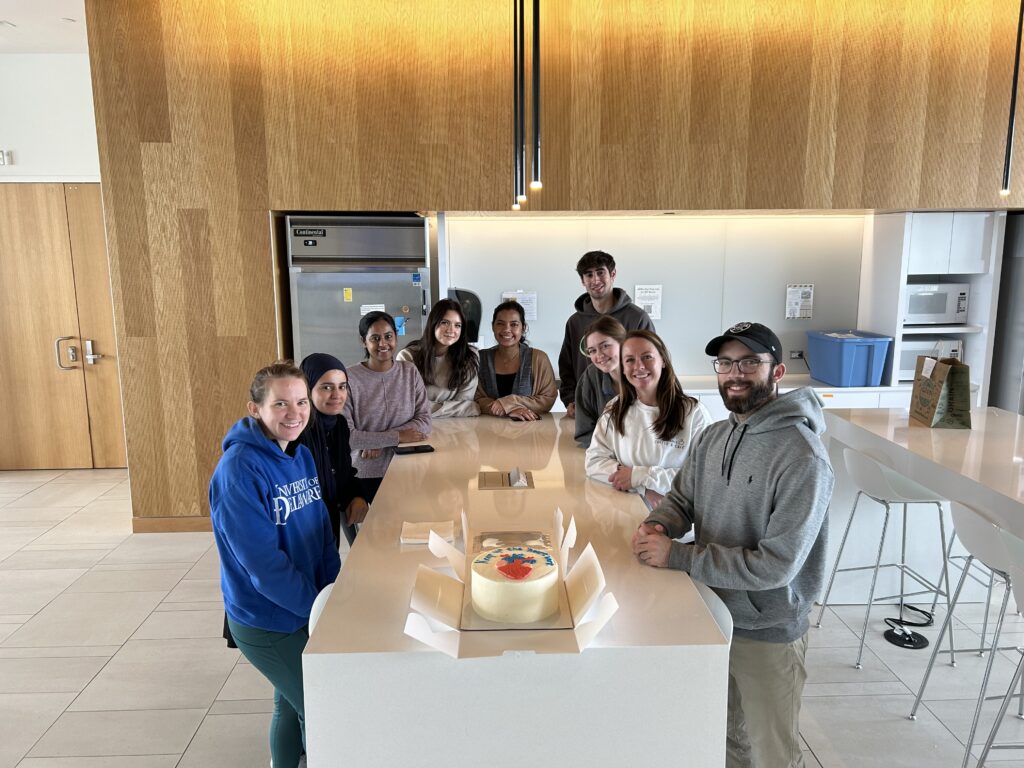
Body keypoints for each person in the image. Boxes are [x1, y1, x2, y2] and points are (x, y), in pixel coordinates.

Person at [632, 322, 833, 768]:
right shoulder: (714, 436)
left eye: (748, 362)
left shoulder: (803, 457)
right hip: (710, 613)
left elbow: (775, 567)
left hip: (767, 629)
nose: (734, 373)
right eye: (725, 363)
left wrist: (679, 556)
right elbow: (683, 498)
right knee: (723, 740)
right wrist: (659, 525)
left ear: (777, 371)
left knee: (771, 754)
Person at [209, 361, 341, 768]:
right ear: (255, 409)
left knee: (289, 703)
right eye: (280, 403)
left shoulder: (298, 455)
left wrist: (335, 595)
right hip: (266, 620)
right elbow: (263, 566)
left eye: (301, 402)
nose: (295, 413)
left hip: (304, 606)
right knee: (323, 709)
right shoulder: (238, 472)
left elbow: (320, 534)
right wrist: (316, 610)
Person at [585, 330, 711, 509]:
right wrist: (643, 487)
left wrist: (641, 476)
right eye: (629, 360)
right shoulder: (615, 408)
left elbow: (704, 475)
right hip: (627, 514)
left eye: (647, 357)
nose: (639, 366)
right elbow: (595, 461)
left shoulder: (693, 412)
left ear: (663, 361)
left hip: (680, 526)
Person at [344, 311, 431, 502]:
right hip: (366, 473)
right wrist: (397, 437)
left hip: (409, 466)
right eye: (375, 338)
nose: (383, 344)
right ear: (363, 341)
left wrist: (382, 441)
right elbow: (347, 437)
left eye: (388, 337)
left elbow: (424, 420)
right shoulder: (349, 378)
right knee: (377, 530)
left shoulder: (409, 371)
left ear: (396, 338)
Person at [558, 250, 655, 417]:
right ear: (583, 281)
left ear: (613, 274)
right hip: (587, 409)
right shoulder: (574, 322)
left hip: (631, 408)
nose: (595, 279)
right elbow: (566, 367)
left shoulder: (637, 317)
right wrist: (570, 400)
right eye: (589, 275)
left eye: (600, 272)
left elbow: (651, 362)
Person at [293, 353, 368, 547]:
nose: (337, 395)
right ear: (307, 390)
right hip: (301, 529)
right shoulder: (296, 431)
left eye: (342, 387)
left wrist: (357, 495)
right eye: (326, 387)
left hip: (328, 522)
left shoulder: (339, 425)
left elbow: (343, 474)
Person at [397, 298, 480, 417]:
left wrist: (429, 408)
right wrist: (461, 408)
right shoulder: (408, 356)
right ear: (433, 323)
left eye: (457, 325)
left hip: (457, 428)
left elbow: (466, 402)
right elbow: (408, 406)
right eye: (445, 322)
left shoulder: (470, 356)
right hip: (417, 427)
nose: (451, 330)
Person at [475, 300, 557, 420]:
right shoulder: (481, 358)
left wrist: (509, 403)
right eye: (500, 324)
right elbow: (476, 398)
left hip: (529, 430)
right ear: (493, 327)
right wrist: (508, 410)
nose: (507, 329)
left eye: (514, 324)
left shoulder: (539, 358)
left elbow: (547, 398)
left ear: (523, 328)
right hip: (488, 429)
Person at [574, 315, 627, 447]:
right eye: (592, 351)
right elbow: (585, 431)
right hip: (605, 455)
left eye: (605, 346)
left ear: (623, 343)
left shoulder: (644, 373)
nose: (599, 355)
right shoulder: (591, 376)